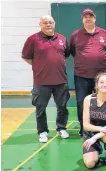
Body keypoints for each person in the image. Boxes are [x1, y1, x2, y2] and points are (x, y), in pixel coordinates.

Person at [22, 15, 70, 143]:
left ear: (54, 23)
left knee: (62, 106)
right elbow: (26, 57)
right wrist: (39, 65)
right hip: (41, 81)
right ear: (40, 24)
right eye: (45, 23)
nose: (48, 25)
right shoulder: (33, 39)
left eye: (50, 22)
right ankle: (42, 131)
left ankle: (61, 128)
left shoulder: (62, 39)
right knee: (40, 108)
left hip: (61, 80)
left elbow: (65, 55)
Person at [70, 8, 106, 135]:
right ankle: (85, 128)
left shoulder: (104, 33)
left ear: (95, 18)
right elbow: (72, 51)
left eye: (90, 16)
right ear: (82, 19)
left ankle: (102, 127)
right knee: (82, 103)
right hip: (81, 76)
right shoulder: (76, 35)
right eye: (85, 17)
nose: (88, 18)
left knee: (103, 102)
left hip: (101, 76)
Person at [82, 72, 106, 169]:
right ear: (97, 84)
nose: (105, 84)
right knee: (90, 164)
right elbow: (85, 125)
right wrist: (100, 129)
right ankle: (97, 148)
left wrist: (96, 137)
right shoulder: (88, 99)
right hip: (91, 133)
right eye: (102, 82)